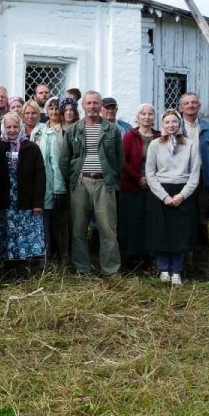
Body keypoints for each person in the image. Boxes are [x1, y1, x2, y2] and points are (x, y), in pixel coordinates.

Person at [59, 91, 123, 277]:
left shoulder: (112, 130)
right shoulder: (73, 130)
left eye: (96, 103)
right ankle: (82, 268)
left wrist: (109, 175)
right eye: (89, 103)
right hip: (80, 182)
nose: (92, 106)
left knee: (108, 229)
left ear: (101, 106)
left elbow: (119, 160)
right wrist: (73, 179)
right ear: (83, 106)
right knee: (78, 229)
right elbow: (65, 160)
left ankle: (110, 270)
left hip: (104, 183)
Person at [145, 110, 201, 285]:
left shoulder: (191, 144)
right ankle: (163, 270)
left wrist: (182, 195)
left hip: (183, 191)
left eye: (174, 122)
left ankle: (176, 271)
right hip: (161, 192)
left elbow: (194, 173)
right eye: (167, 122)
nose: (171, 125)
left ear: (179, 123)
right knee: (161, 233)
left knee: (180, 234)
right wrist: (164, 197)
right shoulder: (155, 145)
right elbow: (150, 173)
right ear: (162, 125)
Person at [179, 92, 209, 281]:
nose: (190, 106)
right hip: (180, 185)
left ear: (199, 106)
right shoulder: (174, 127)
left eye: (194, 103)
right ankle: (182, 267)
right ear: (181, 107)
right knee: (182, 225)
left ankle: (200, 270)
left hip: (203, 186)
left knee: (201, 226)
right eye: (186, 103)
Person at [0, 113, 46, 266]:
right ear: (3, 128)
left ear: (21, 127)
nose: (12, 130)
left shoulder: (32, 148)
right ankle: (7, 265)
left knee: (25, 233)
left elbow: (40, 176)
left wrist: (38, 202)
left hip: (25, 199)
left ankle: (24, 265)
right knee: (5, 232)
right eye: (8, 127)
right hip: (4, 200)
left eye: (15, 126)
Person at [120, 104, 160, 270]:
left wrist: (154, 180)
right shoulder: (130, 136)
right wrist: (139, 179)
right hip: (132, 187)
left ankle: (148, 258)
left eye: (150, 114)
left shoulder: (159, 136)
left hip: (155, 187)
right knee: (132, 223)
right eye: (143, 114)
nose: (147, 117)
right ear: (138, 117)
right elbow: (123, 161)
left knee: (151, 223)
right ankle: (131, 260)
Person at [34, 97, 68, 265]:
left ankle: (64, 257)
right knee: (44, 221)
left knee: (61, 222)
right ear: (46, 111)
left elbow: (59, 161)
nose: (54, 112)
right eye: (51, 108)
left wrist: (59, 186)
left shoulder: (65, 129)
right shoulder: (39, 130)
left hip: (59, 181)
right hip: (42, 181)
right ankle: (45, 257)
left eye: (57, 108)